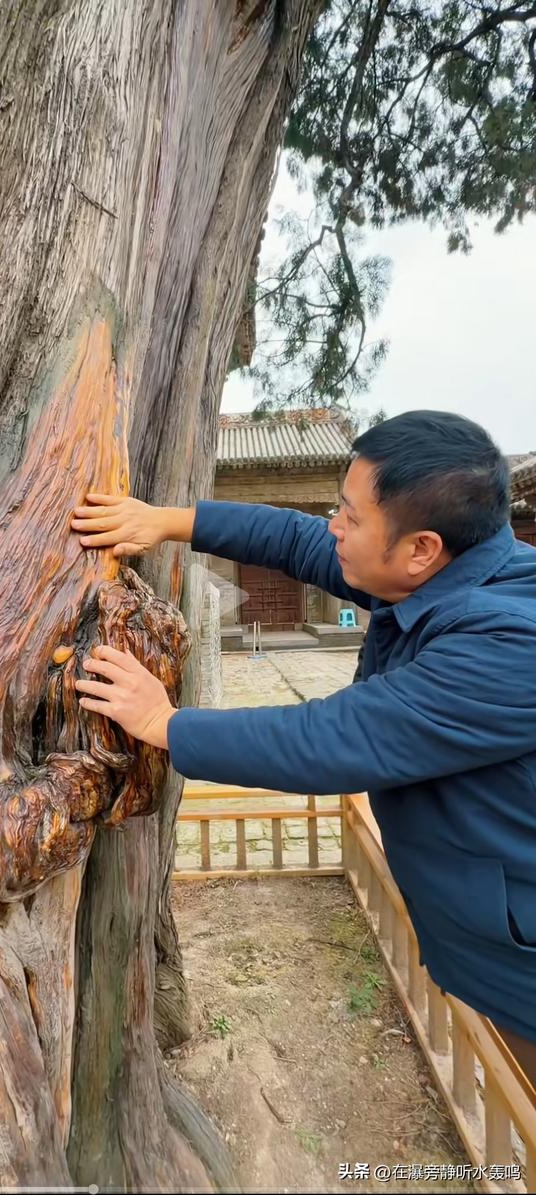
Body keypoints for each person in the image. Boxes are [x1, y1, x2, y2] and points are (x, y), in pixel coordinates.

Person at [71, 410, 536, 1086]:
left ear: (421, 548)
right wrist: (167, 521)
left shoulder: (508, 644)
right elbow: (298, 539)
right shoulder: (450, 568)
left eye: (350, 515)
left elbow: (330, 739)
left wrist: (165, 723)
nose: (332, 526)